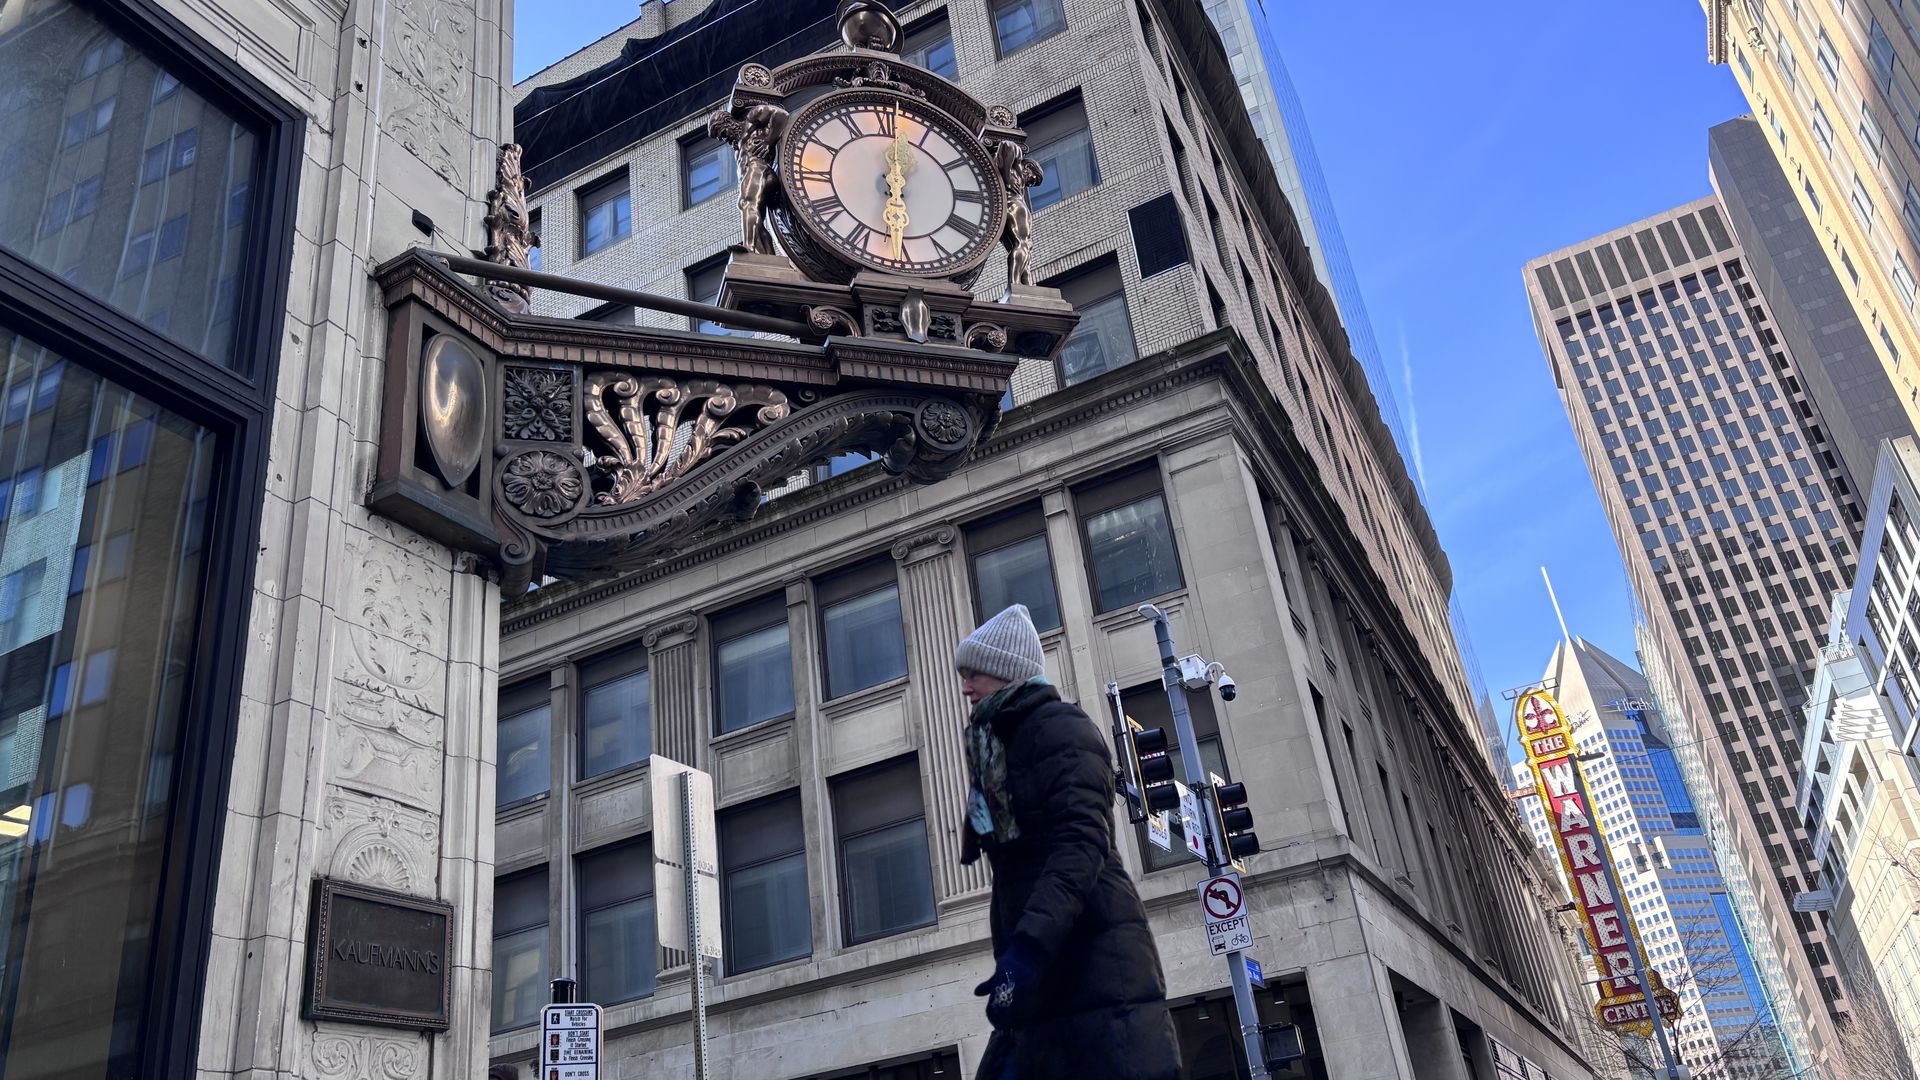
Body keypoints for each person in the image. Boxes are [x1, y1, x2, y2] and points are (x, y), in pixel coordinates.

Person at [954, 605, 1180, 1080]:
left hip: (1094, 966)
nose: (966, 687)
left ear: (1006, 672)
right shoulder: (1001, 743)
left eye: (974, 673)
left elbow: (1080, 845)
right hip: (1052, 975)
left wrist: (1026, 951)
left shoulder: (1061, 729)